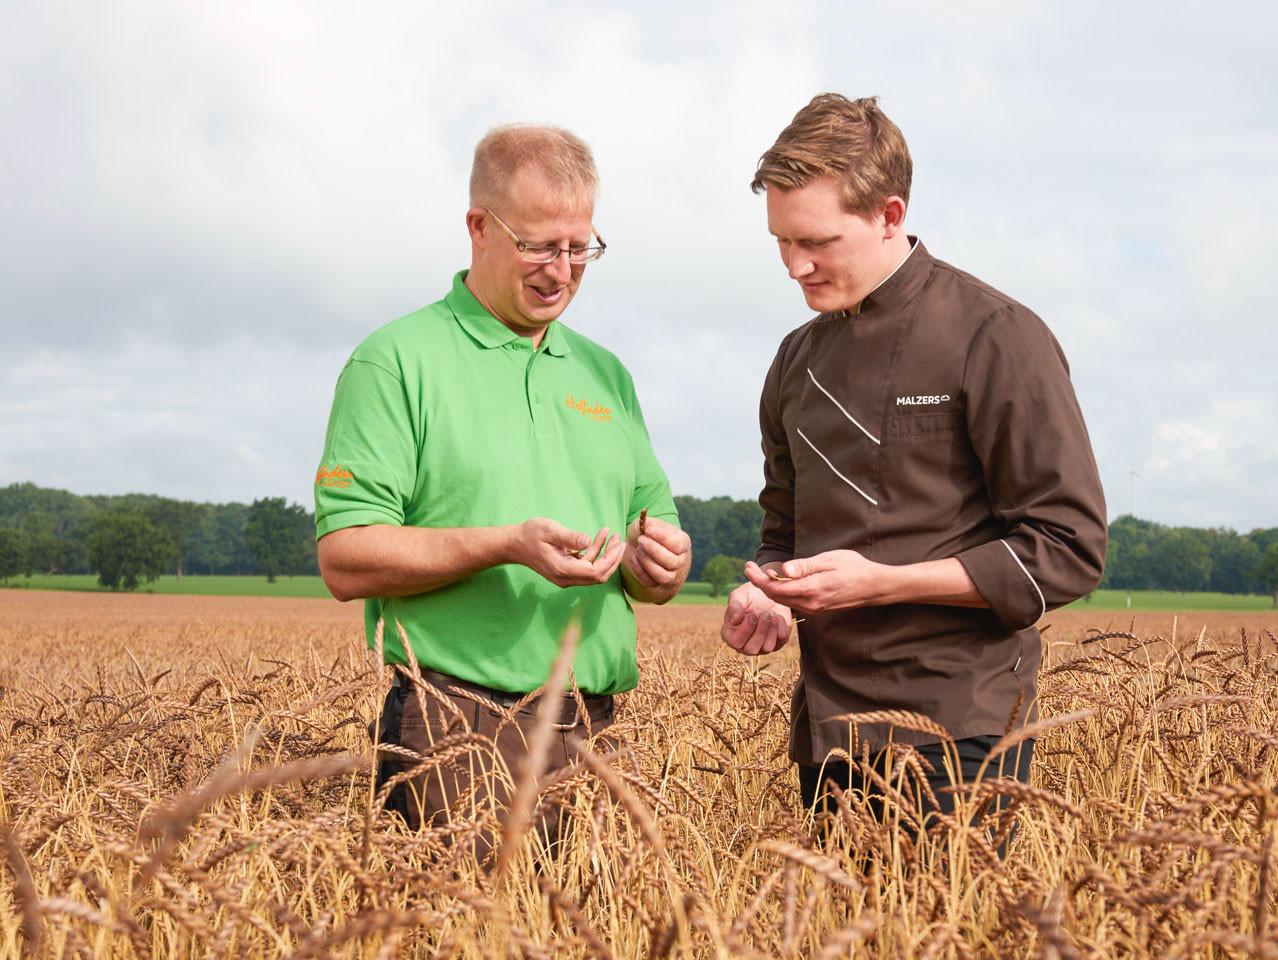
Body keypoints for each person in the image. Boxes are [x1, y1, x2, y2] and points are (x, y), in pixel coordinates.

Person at [720, 94, 1107, 828]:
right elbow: (783, 532)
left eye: (819, 241)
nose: (794, 264)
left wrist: (884, 584)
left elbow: (1068, 549)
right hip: (829, 734)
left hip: (960, 733)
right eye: (780, 240)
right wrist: (769, 590)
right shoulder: (794, 362)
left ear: (890, 215)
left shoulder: (997, 335)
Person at [314, 124, 691, 856]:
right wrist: (506, 546)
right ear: (479, 228)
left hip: (599, 730)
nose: (562, 269)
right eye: (539, 245)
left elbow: (656, 541)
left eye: (580, 247)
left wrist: (662, 566)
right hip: (459, 727)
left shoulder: (606, 374)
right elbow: (346, 556)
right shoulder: (394, 362)